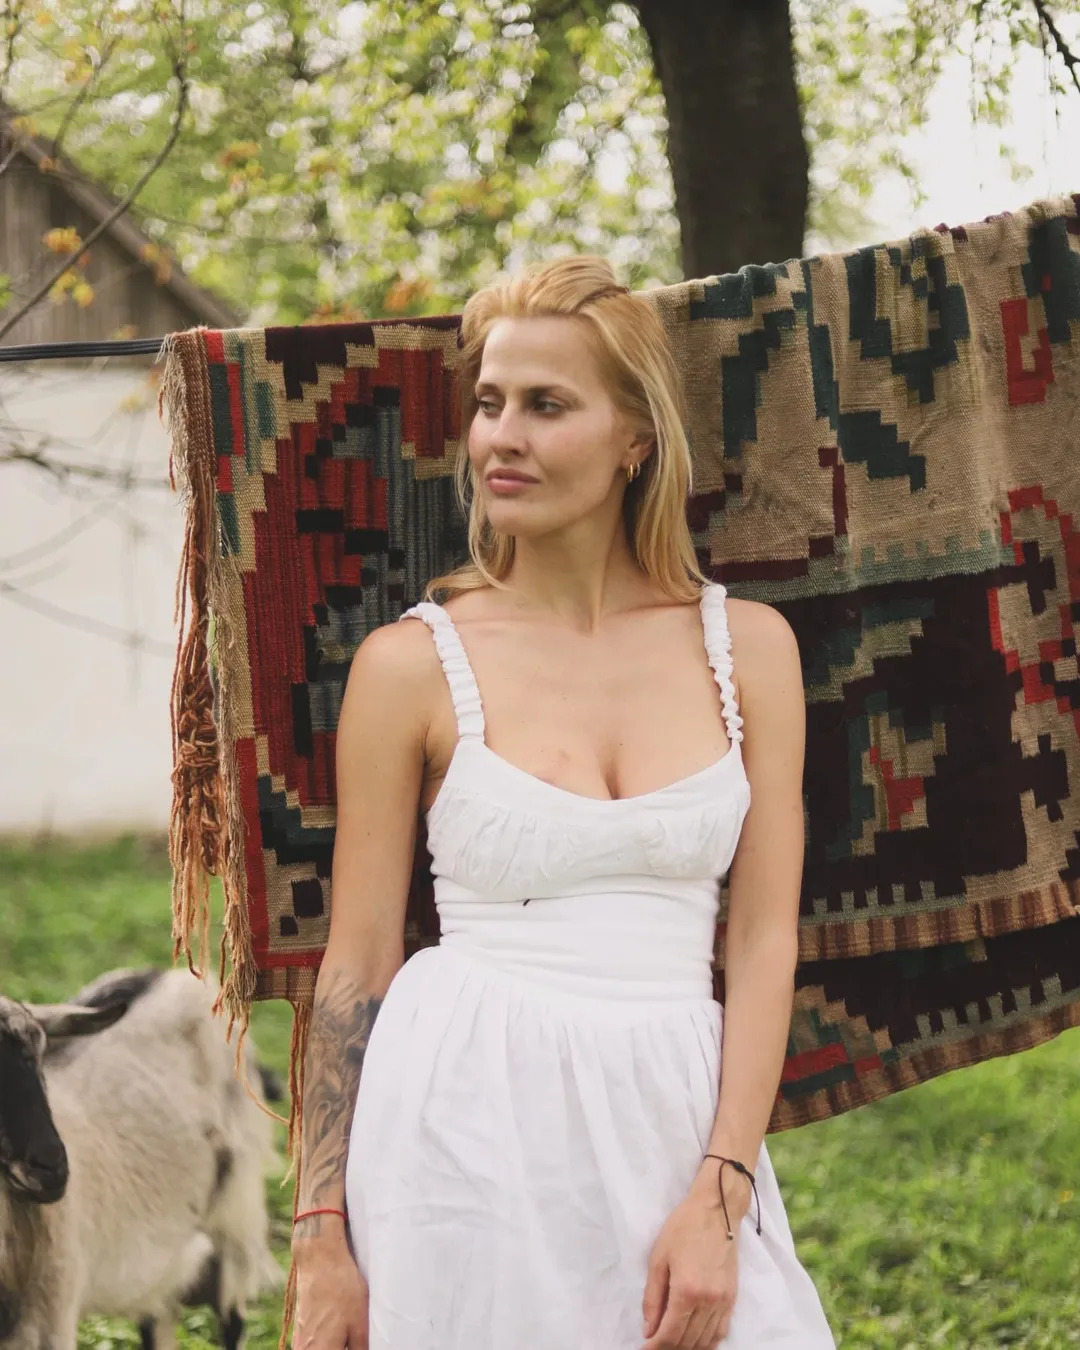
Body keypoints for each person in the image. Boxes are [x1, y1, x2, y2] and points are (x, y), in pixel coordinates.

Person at [290, 255, 835, 1350]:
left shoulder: (750, 650)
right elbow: (358, 962)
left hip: (674, 1104)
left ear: (636, 438)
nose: (502, 437)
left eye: (546, 405)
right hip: (458, 1123)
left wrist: (721, 1189)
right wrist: (319, 1236)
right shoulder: (410, 666)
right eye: (490, 403)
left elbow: (764, 938)